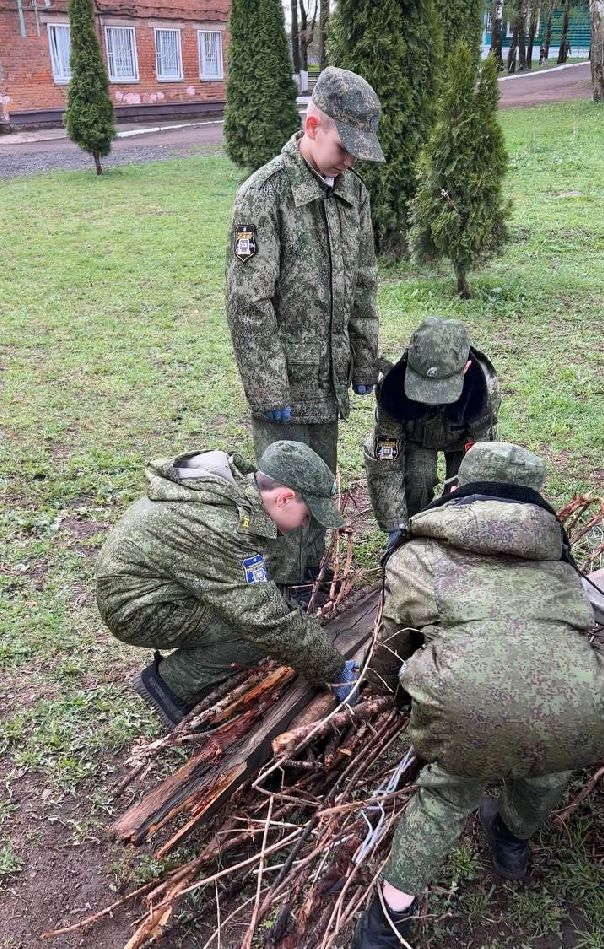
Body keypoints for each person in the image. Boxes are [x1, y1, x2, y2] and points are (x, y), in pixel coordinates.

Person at [347, 442, 604, 949]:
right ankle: (513, 842)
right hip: (582, 708)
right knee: (549, 762)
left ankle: (382, 930)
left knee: (446, 795)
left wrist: (377, 690)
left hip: (468, 710)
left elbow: (393, 641)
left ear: (463, 489)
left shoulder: (417, 554)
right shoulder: (559, 560)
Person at [225, 66, 384, 592]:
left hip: (330, 380)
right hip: (286, 384)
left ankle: (310, 577)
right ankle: (279, 589)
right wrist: (268, 388)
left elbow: (363, 282)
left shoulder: (353, 194)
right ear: (313, 126)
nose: (352, 158)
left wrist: (363, 360)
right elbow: (249, 302)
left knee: (320, 483)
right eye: (345, 145)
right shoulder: (264, 195)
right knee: (281, 491)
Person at [96, 442, 358, 728]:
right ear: (284, 498)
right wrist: (334, 670)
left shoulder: (237, 495)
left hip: (155, 585)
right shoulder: (226, 526)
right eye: (306, 515)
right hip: (136, 608)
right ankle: (171, 687)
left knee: (250, 613)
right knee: (249, 631)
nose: (305, 524)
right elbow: (265, 622)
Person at [364, 317, 500, 544]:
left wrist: (467, 492)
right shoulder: (393, 388)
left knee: (462, 491)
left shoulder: (484, 390)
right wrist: (394, 525)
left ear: (465, 367)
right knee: (418, 477)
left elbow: (484, 457)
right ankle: (412, 534)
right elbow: (386, 462)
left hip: (462, 440)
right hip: (416, 438)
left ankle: (455, 539)